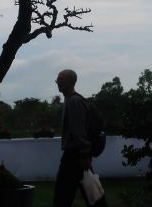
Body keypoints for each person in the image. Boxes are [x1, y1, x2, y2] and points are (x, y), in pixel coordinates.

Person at [53, 69, 93, 207]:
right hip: (77, 155)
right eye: (57, 79)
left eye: (60, 79)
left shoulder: (74, 101)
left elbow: (78, 131)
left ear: (70, 81)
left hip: (75, 156)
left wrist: (84, 155)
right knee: (92, 193)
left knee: (63, 195)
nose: (57, 82)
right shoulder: (70, 99)